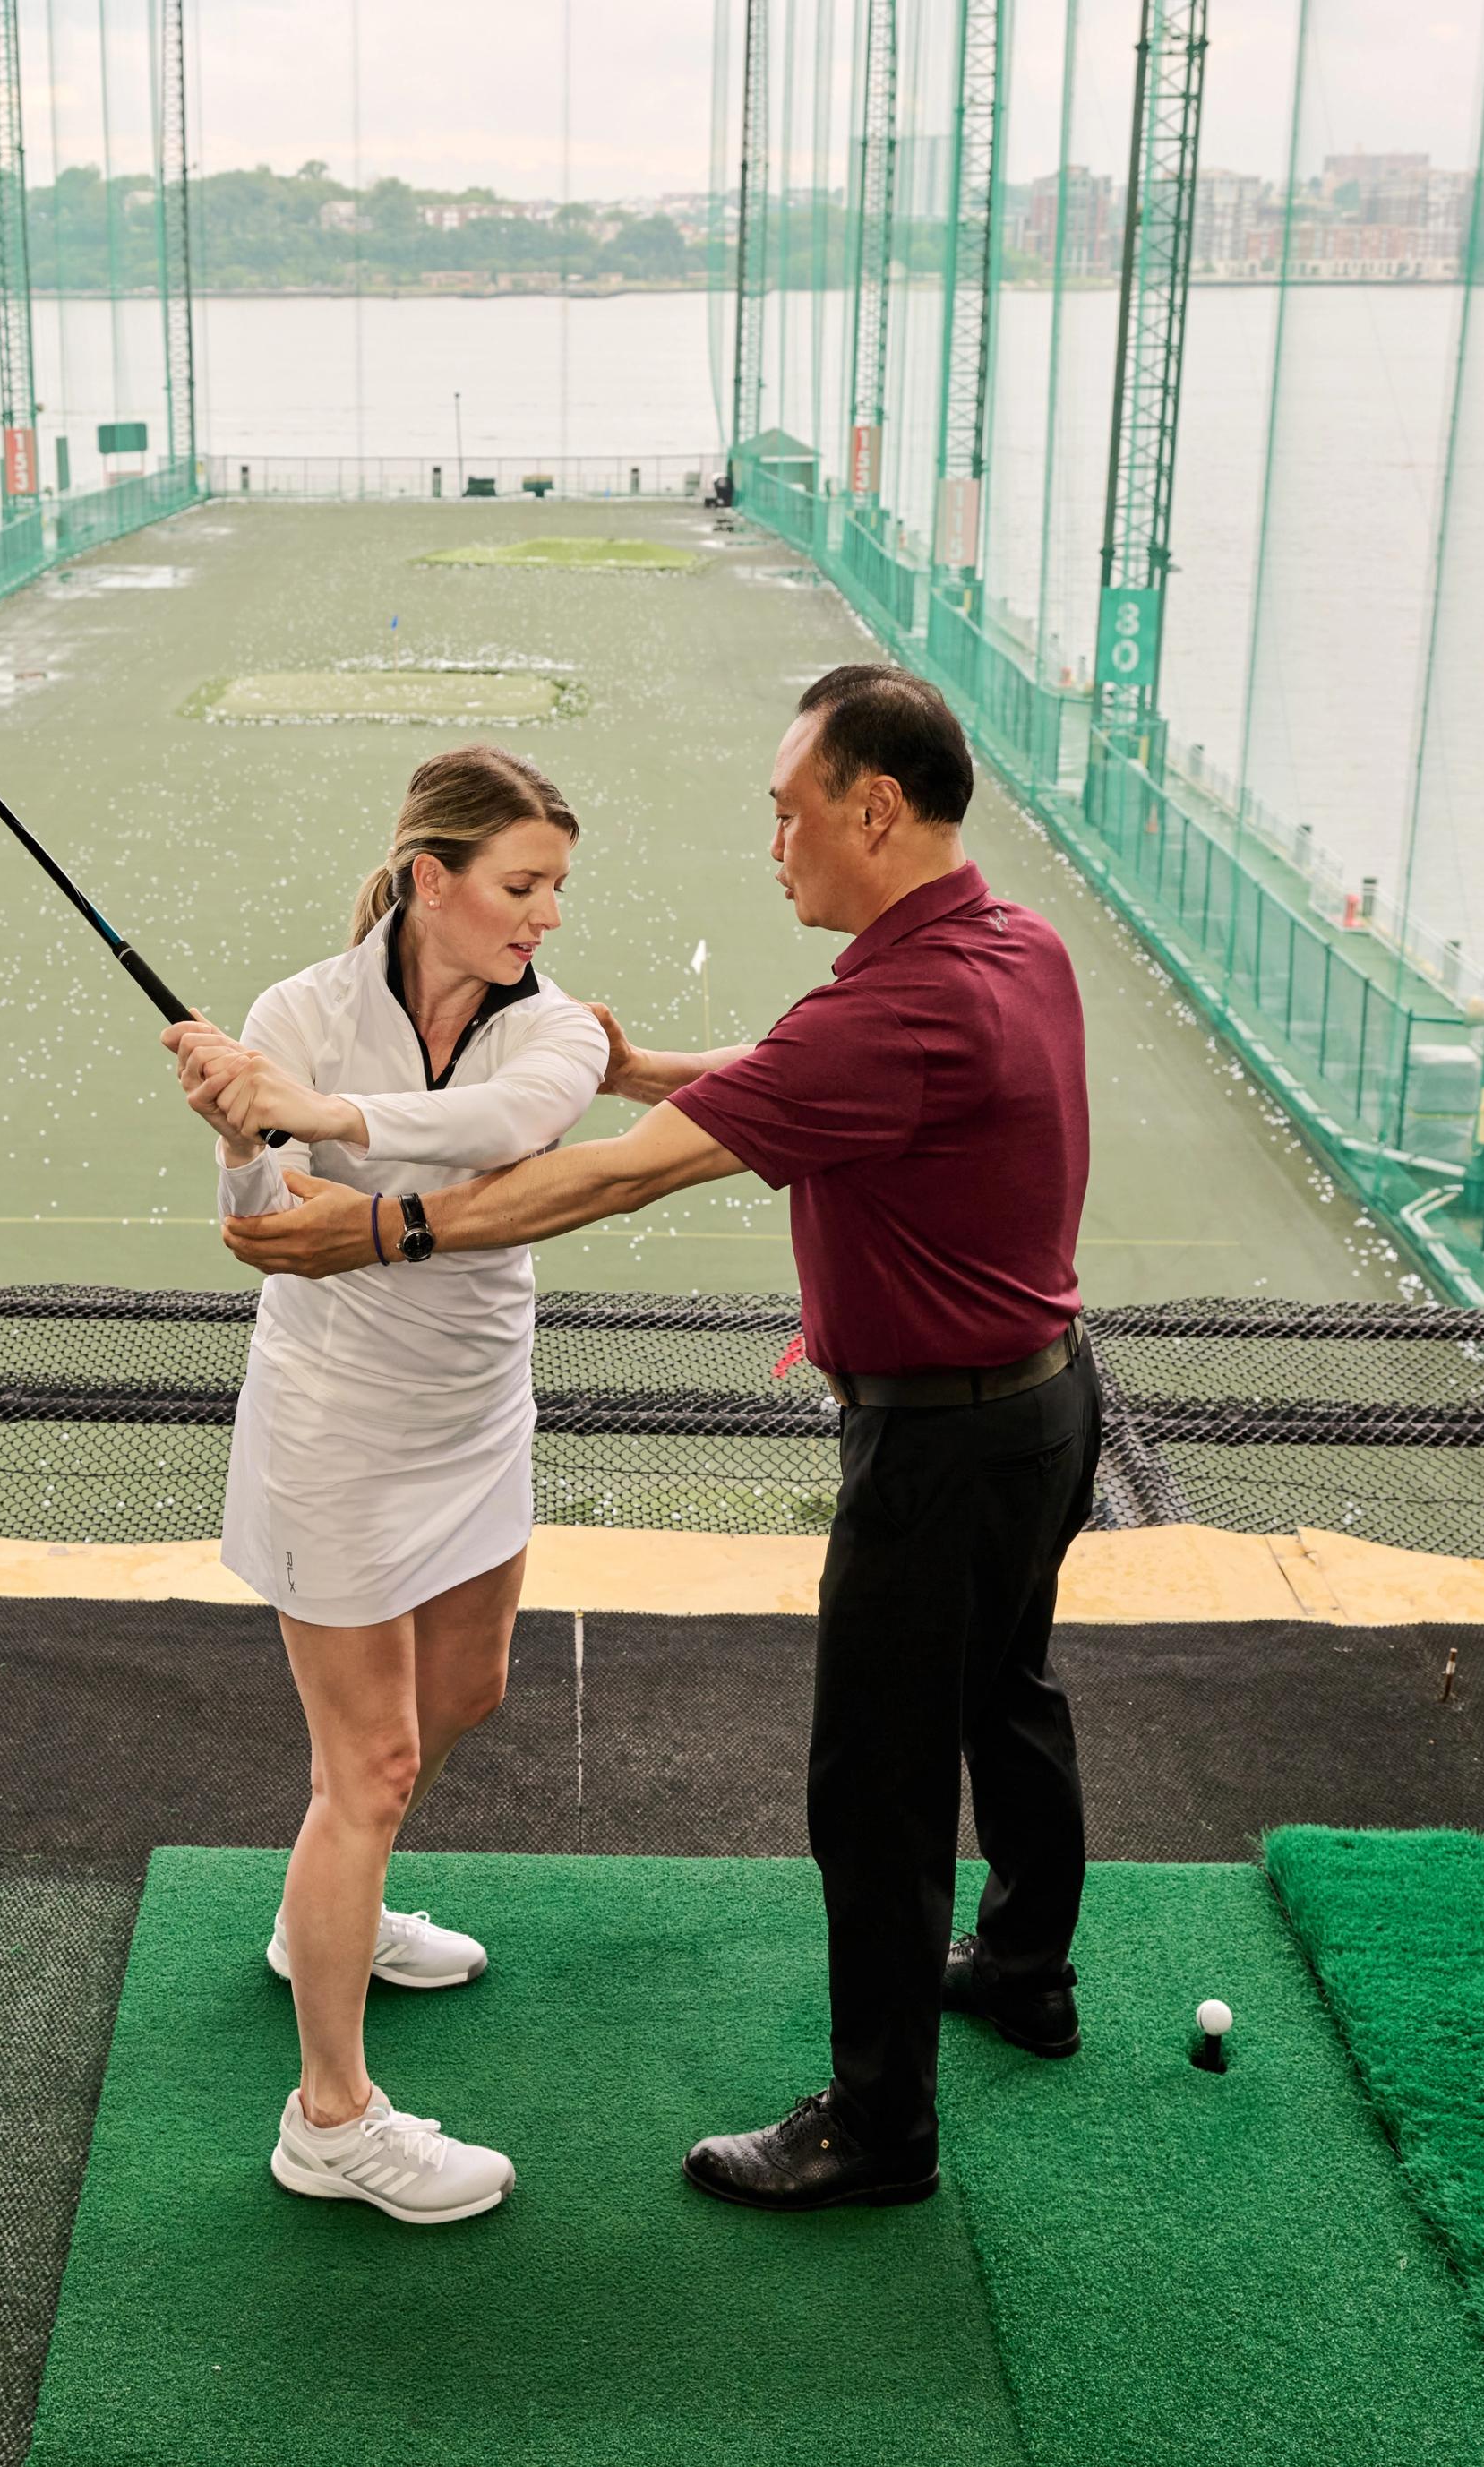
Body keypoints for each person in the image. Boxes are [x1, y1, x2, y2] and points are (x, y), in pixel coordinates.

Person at [222, 663, 1096, 2214]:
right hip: (1043, 1406)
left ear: (872, 808)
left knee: (878, 1789)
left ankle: (881, 2124)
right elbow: (801, 1087)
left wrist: (380, 1229)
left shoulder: (894, 1001)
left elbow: (610, 1178)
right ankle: (1026, 1965)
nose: (773, 843)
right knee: (1005, 1693)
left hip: (940, 1448)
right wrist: (639, 1068)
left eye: (786, 811)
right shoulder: (1011, 945)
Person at [162, 743, 610, 2228]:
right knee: (371, 1768)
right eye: (521, 885)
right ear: (434, 877)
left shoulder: (560, 1037)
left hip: (478, 1413)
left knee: (461, 1697)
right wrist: (244, 1135)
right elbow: (257, 1222)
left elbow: (492, 1141)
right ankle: (330, 2117)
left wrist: (326, 1117)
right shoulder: (300, 1011)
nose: (544, 915)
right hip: (338, 1426)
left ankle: (323, 1921)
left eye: (555, 887)